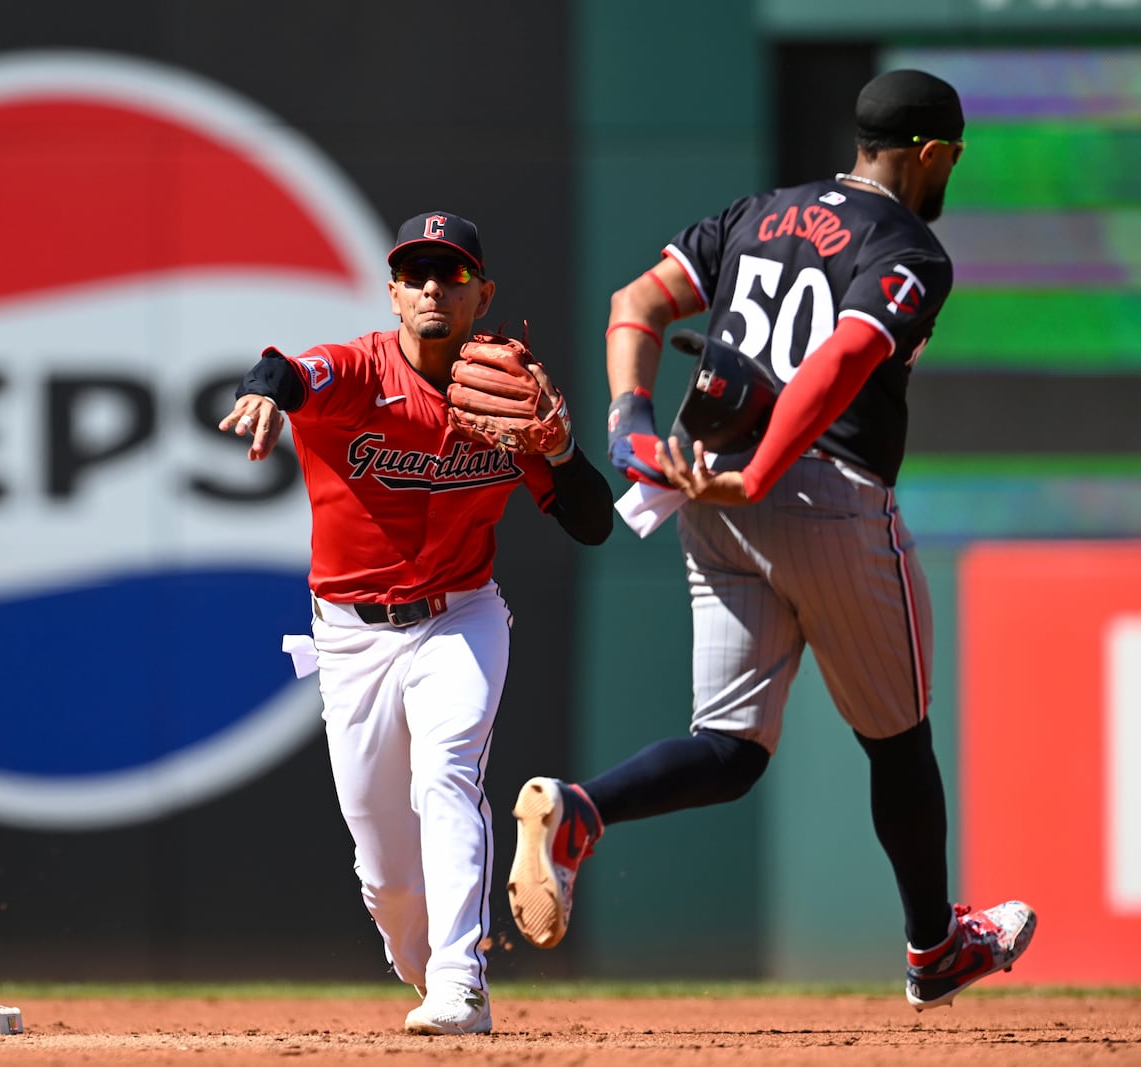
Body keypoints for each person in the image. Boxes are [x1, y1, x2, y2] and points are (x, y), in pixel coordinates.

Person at [506, 69, 1036, 1010]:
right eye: (952, 154)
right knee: (900, 741)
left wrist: (631, 423)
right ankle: (933, 948)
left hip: (704, 494)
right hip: (822, 491)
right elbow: (840, 360)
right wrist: (763, 469)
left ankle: (580, 807)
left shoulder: (759, 213)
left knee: (732, 747)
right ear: (927, 153)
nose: (951, 168)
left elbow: (637, 302)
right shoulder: (909, 244)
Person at [219, 211, 614, 1035]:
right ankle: (427, 960)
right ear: (394, 291)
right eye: (417, 273)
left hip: (461, 616)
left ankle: (461, 981)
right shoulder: (358, 370)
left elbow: (591, 523)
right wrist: (262, 390)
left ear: (483, 293)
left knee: (447, 775)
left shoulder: (508, 391)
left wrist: (564, 448)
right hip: (351, 634)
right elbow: (286, 370)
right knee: (387, 876)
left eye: (454, 273)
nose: (435, 286)